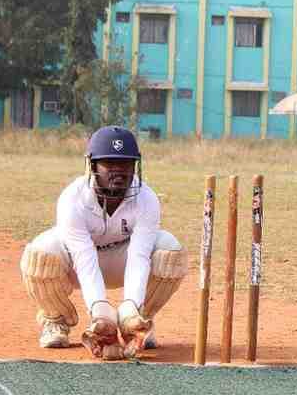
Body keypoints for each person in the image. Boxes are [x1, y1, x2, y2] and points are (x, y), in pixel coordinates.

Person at [20, 125, 188, 360]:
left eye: (126, 164)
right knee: (41, 254)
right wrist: (101, 314)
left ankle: (140, 322)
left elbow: (139, 256)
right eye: (109, 163)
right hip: (76, 266)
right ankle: (55, 320)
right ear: (92, 165)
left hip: (122, 259)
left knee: (170, 251)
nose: (118, 171)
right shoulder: (72, 199)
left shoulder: (146, 198)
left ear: (136, 165)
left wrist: (129, 309)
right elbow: (84, 259)